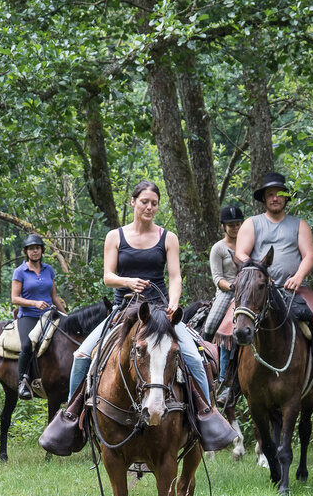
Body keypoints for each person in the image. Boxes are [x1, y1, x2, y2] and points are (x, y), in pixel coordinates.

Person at [43, 180, 236, 453]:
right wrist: (128, 282)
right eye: (144, 201)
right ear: (133, 202)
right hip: (123, 311)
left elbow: (175, 276)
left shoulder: (167, 237)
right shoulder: (115, 236)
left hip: (158, 312)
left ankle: (206, 414)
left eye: (154, 203)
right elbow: (108, 276)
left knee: (193, 356)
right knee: (82, 356)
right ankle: (75, 417)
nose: (149, 207)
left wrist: (173, 303)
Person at [227, 170, 313, 404]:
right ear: (264, 198)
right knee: (227, 324)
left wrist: (299, 276)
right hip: (257, 289)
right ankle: (228, 380)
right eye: (270, 194)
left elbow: (309, 255)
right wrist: (260, 274)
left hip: (293, 288)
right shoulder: (252, 224)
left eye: (279, 194)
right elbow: (241, 253)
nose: (275, 198)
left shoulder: (299, 225)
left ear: (286, 198)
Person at [10, 233, 66, 399]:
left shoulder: (49, 270)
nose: (35, 251)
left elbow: (54, 296)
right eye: (31, 249)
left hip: (50, 314)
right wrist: (34, 303)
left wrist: (66, 315)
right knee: (28, 345)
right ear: (26, 252)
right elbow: (14, 299)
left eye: (37, 248)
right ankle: (23, 382)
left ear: (42, 250)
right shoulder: (20, 271)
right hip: (29, 315)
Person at [204, 205, 243, 388]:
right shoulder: (218, 249)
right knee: (213, 324)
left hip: (248, 291)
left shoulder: (247, 244)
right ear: (224, 226)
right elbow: (217, 278)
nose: (235, 228)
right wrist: (232, 286)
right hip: (227, 291)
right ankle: (207, 356)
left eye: (238, 224)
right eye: (231, 225)